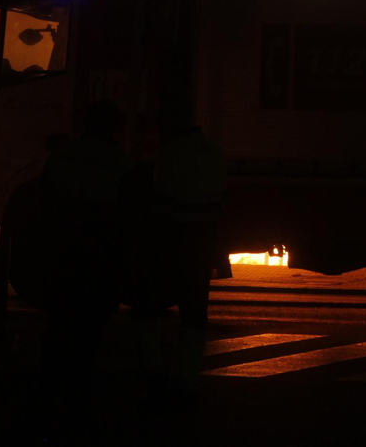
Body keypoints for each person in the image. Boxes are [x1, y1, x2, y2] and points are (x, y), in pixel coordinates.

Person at [38, 99, 134, 436]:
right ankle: (80, 404)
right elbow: (128, 215)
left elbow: (43, 205)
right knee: (90, 334)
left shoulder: (61, 158)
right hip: (99, 258)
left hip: (63, 255)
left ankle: (47, 402)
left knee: (58, 327)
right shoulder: (120, 163)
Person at [126, 98, 225, 402]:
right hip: (202, 241)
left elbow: (161, 205)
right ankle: (185, 380)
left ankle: (155, 373)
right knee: (195, 315)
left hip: (172, 241)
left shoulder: (170, 153)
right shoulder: (212, 149)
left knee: (145, 309)